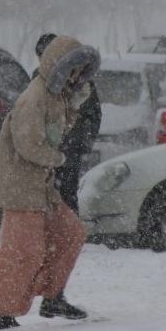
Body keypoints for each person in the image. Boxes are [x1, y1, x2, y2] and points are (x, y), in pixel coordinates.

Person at [0, 35, 99, 329]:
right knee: (23, 251)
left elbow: (60, 129)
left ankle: (53, 297)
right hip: (20, 188)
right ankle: (1, 308)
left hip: (42, 187)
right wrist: (59, 158)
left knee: (70, 234)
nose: (77, 77)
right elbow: (29, 145)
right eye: (74, 70)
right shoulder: (34, 98)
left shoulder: (57, 97)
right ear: (59, 67)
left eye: (82, 71)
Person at [32, 33, 102, 213]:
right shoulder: (37, 79)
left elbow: (93, 114)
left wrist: (82, 141)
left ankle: (67, 234)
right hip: (47, 150)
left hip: (69, 149)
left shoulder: (80, 80)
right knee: (46, 195)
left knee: (67, 194)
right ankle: (54, 233)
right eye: (41, 57)